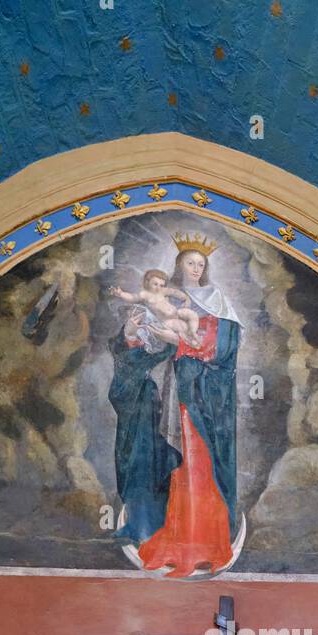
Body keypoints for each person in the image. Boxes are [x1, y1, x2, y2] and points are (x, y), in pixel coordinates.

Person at [107, 233, 241, 578]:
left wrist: (185, 342)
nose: (195, 268)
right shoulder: (160, 298)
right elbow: (135, 348)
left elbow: (225, 345)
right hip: (169, 392)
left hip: (198, 396)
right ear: (178, 266)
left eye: (200, 264)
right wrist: (132, 334)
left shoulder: (217, 300)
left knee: (196, 461)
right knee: (164, 459)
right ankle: (160, 527)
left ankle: (200, 539)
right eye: (189, 263)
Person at [109, 270, 203, 347]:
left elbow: (175, 292)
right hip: (166, 320)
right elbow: (132, 297)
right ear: (148, 282)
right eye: (155, 284)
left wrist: (186, 299)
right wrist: (121, 294)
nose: (158, 287)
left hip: (176, 313)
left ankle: (193, 332)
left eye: (161, 285)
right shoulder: (145, 294)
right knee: (180, 326)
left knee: (192, 314)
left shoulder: (163, 291)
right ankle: (190, 341)